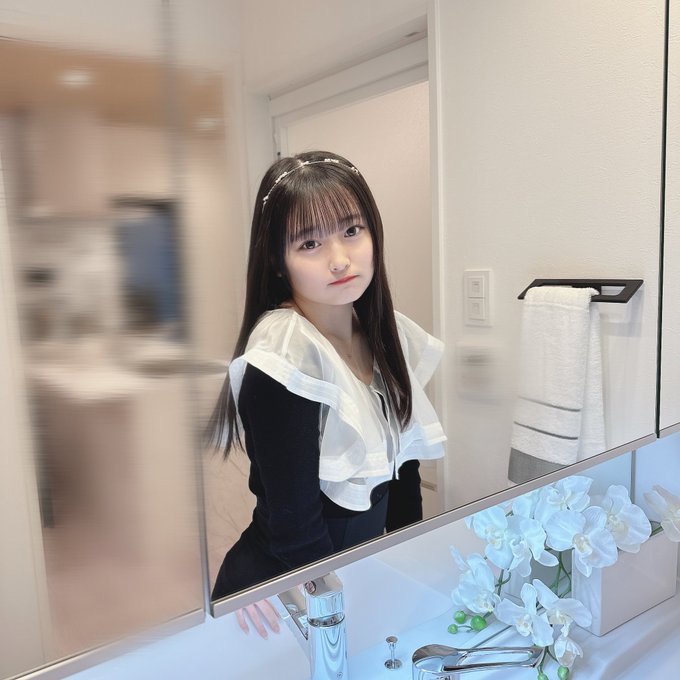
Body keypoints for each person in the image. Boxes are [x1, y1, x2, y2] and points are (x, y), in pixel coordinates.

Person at [207, 151, 445, 629]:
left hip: (347, 575)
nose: (339, 260)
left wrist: (406, 564)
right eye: (310, 243)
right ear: (278, 262)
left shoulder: (384, 334)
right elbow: (294, 525)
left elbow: (403, 474)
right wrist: (336, 603)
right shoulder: (285, 355)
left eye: (352, 230)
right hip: (281, 591)